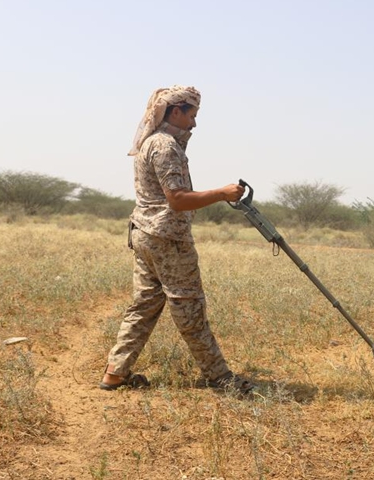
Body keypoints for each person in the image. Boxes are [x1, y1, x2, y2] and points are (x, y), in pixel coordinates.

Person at [99, 85, 254, 395]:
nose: (194, 123)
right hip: (168, 240)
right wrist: (222, 194)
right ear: (176, 111)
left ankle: (116, 373)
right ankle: (220, 378)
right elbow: (178, 199)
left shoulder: (150, 143)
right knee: (189, 309)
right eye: (192, 115)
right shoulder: (165, 146)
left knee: (144, 306)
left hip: (145, 235)